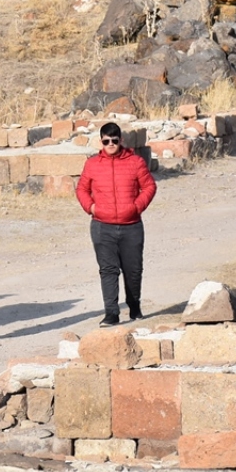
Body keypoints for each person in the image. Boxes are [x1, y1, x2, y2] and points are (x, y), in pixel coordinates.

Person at [76, 122, 157, 327]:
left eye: (114, 140)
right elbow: (81, 190)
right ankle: (111, 313)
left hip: (131, 225)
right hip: (102, 226)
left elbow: (149, 186)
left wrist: (136, 207)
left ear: (121, 141)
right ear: (101, 142)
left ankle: (134, 304)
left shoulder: (136, 162)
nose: (110, 144)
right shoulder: (92, 164)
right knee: (108, 270)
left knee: (133, 270)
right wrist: (91, 208)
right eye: (106, 141)